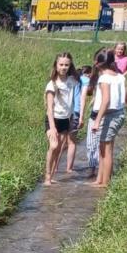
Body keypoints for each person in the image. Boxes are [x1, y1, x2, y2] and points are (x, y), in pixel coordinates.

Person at [78, 49, 127, 188]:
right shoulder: (120, 76)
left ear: (98, 63)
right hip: (118, 114)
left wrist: (97, 121)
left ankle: (105, 183)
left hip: (109, 116)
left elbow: (105, 101)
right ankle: (99, 179)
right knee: (102, 149)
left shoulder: (104, 78)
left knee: (107, 151)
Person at [44, 52, 80, 183]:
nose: (63, 67)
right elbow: (49, 108)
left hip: (66, 119)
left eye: (66, 65)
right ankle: (47, 177)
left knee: (59, 149)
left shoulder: (72, 81)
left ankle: (52, 176)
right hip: (53, 119)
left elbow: (84, 84)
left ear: (70, 66)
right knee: (53, 146)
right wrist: (52, 127)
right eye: (61, 64)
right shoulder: (52, 84)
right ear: (56, 65)